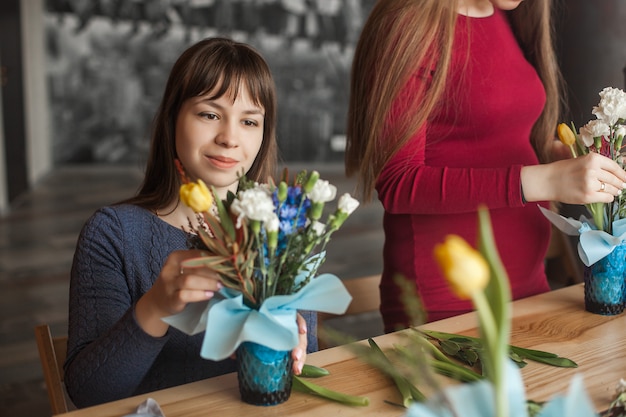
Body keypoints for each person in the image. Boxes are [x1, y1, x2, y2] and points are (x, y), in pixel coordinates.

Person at [344, 0, 626, 331]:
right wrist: (544, 180)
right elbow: (398, 183)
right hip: (447, 303)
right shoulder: (408, 24)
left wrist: (569, 159)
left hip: (531, 288)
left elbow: (502, 143)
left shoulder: (506, 15)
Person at [65, 37, 315, 408]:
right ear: (172, 118)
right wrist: (155, 308)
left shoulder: (279, 228)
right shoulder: (112, 234)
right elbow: (89, 394)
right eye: (209, 114)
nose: (229, 138)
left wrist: (293, 343)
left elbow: (304, 353)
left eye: (249, 121)